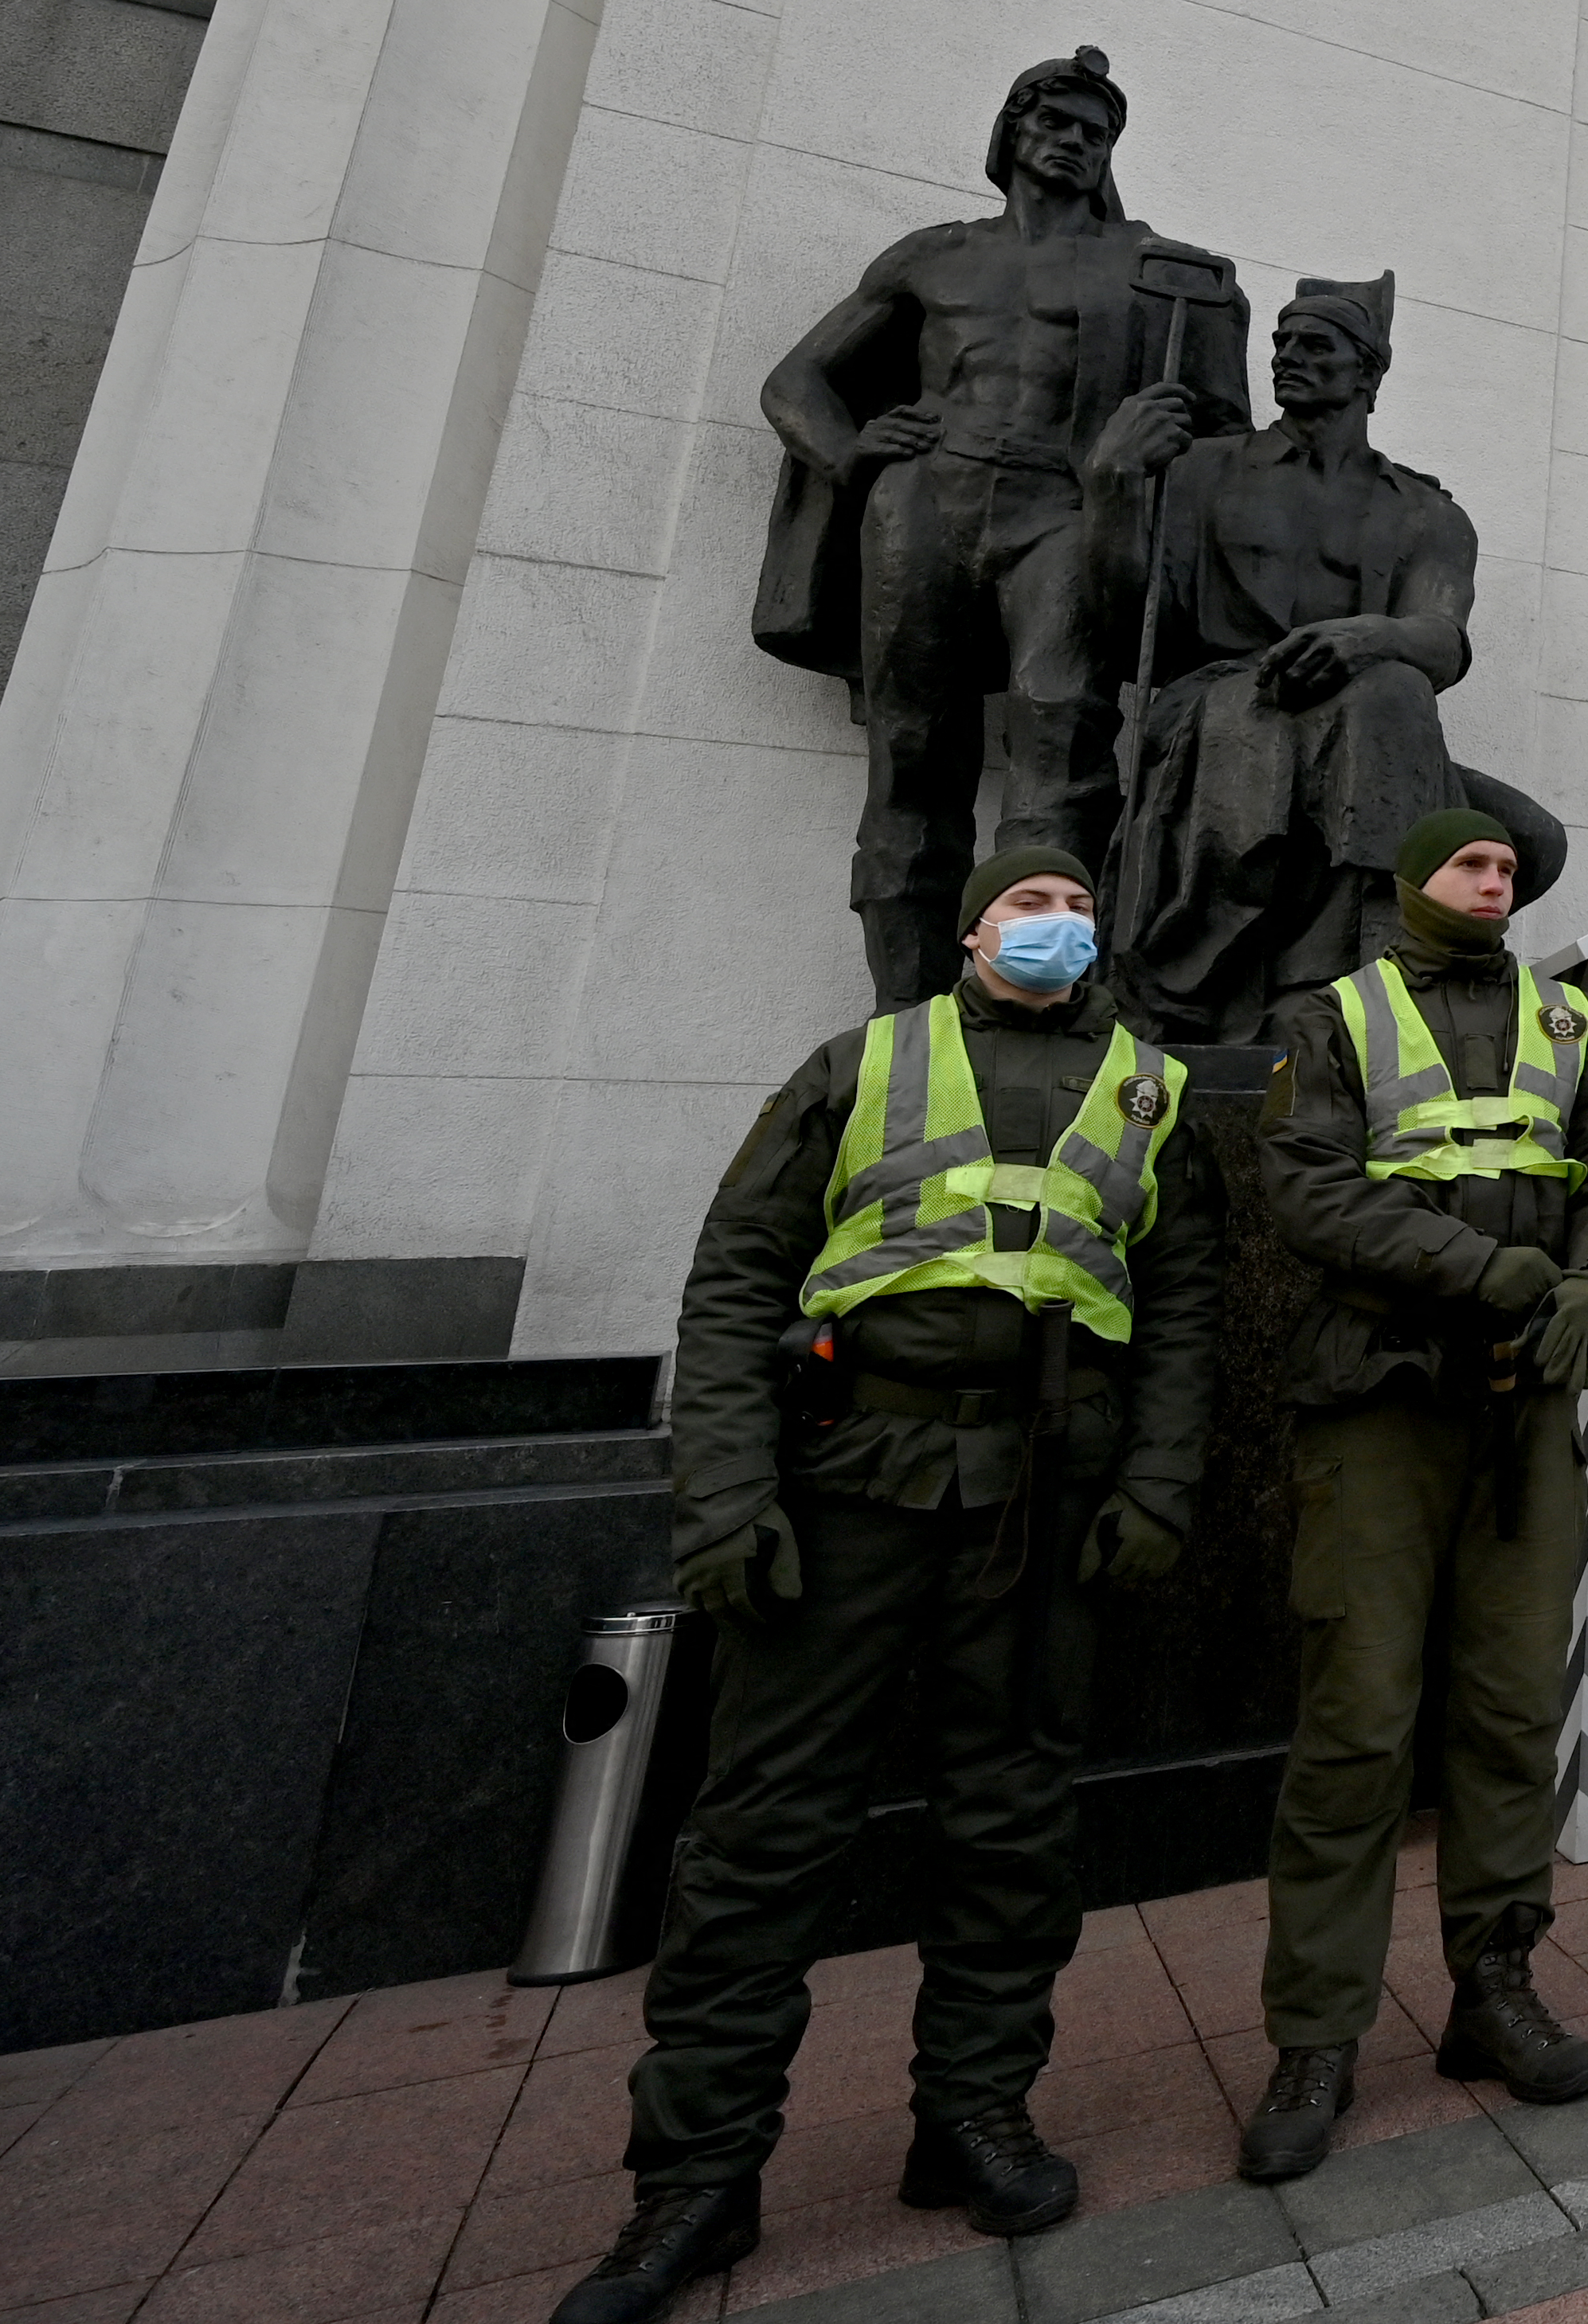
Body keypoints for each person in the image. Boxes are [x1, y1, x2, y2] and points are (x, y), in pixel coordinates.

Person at [556, 850, 1218, 2324]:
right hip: (850, 1489)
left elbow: (1181, 1310)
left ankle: (970, 2116)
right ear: (974, 927)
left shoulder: (1148, 1086)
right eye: (1024, 902)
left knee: (1013, 1824)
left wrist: (1158, 1487)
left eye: (1071, 901)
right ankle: (696, 2179)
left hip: (1040, 1506)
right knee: (762, 1835)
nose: (1054, 925)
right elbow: (734, 1278)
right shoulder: (859, 1063)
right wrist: (722, 1498)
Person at [1238, 807, 1588, 2179]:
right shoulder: (1335, 1013)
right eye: (1472, 867)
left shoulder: (1564, 1018)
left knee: (1510, 1712)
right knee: (1356, 1725)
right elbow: (1306, 1194)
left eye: (1508, 872)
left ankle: (1493, 1987)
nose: (1496, 883)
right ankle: (1315, 2035)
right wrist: (1484, 1270)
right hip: (1377, 1403)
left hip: (1525, 1413)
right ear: (1417, 881)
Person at [753, 48, 1252, 1001]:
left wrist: (1152, 456)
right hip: (925, 505)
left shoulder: (1162, 276)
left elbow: (1224, 438)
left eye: (1093, 134)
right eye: (1054, 123)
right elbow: (793, 382)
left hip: (1064, 511)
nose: (1072, 143)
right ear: (1010, 134)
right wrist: (851, 450)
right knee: (911, 759)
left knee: (1061, 745)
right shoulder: (934, 256)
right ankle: (905, 1014)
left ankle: (1037, 1005)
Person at [1086, 271, 1563, 1040]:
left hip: (1362, 731)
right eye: (1279, 342)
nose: (1286, 358)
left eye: (1314, 344)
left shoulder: (1426, 512)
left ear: (1368, 371)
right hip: (1223, 704)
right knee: (1392, 697)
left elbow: (1441, 638)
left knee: (1530, 835)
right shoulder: (1202, 470)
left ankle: (1337, 966)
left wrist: (1364, 637)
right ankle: (1365, 980)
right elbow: (1129, 624)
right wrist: (1113, 487)